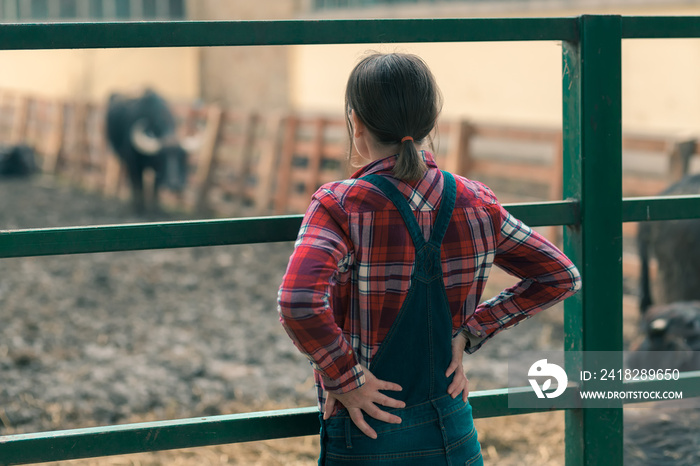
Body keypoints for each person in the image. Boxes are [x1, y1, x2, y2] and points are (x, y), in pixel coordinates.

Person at [278, 52, 581, 465]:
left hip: (368, 432)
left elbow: (298, 302)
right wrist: (472, 331)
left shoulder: (339, 205)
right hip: (455, 432)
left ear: (356, 123)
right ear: (429, 124)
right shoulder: (477, 202)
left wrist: (345, 379)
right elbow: (560, 275)